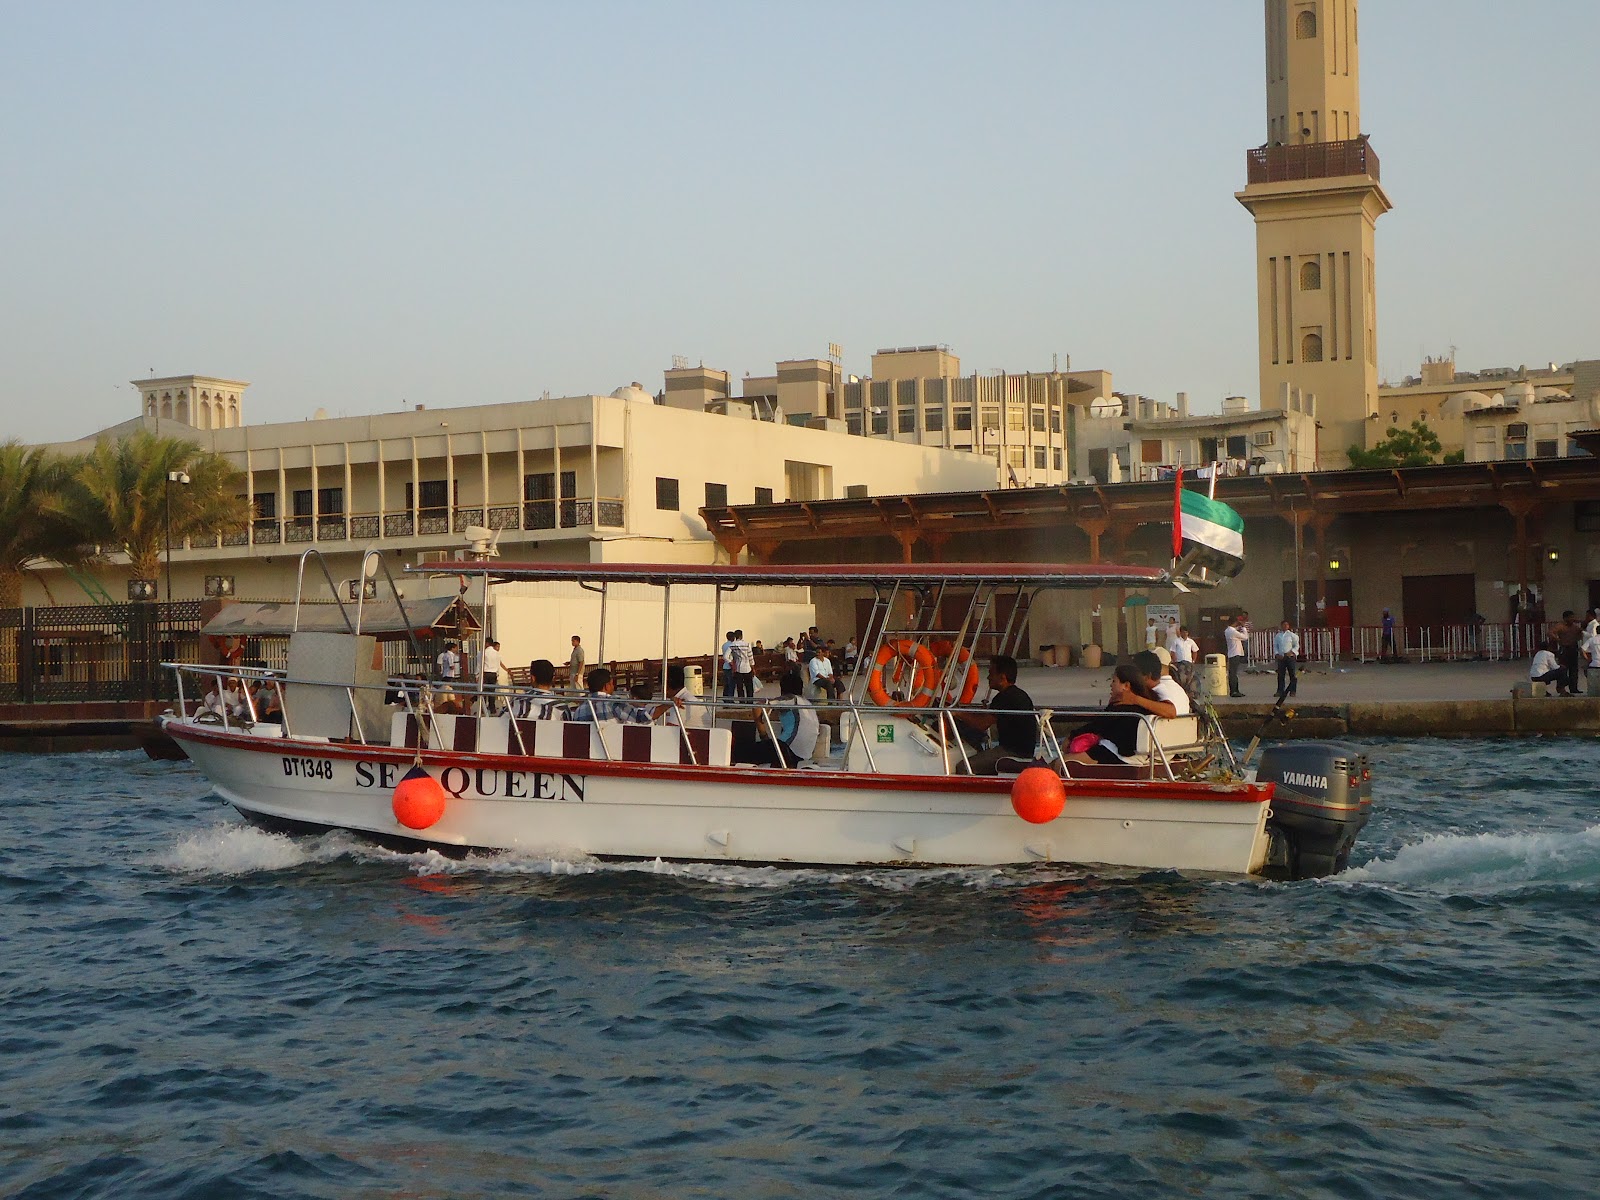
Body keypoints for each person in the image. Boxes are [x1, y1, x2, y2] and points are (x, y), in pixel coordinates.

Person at [954, 655, 1038, 775]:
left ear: (1002, 677)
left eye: (991, 673)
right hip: (1026, 752)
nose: (988, 677)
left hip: (1011, 752)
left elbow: (981, 724)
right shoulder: (1020, 694)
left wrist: (957, 713)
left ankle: (974, 792)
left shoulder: (1003, 698)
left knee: (963, 767)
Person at [1062, 665, 1159, 766]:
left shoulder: (1120, 707)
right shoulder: (1148, 702)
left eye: (1114, 681)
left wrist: (1071, 736)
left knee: (1062, 763)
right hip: (1136, 755)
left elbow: (1097, 726)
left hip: (1117, 754)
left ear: (1126, 685)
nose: (1111, 685)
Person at [747, 668, 819, 768]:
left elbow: (757, 707)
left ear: (783, 689)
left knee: (744, 748)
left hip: (788, 750)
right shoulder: (807, 703)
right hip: (806, 754)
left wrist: (763, 735)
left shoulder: (790, 699)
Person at [572, 667, 654, 724]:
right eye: (612, 684)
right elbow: (644, 720)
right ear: (606, 686)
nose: (613, 687)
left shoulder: (579, 710)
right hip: (610, 747)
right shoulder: (614, 704)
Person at [663, 663, 707, 730]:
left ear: (666, 685)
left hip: (695, 737)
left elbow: (669, 730)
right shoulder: (687, 696)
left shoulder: (682, 701)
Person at [1554, 611, 1583, 696]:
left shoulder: (1575, 627)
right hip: (1564, 649)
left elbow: (1581, 633)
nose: (1572, 619)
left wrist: (1577, 638)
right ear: (1565, 618)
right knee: (1563, 669)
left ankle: (1573, 688)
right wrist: (1558, 640)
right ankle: (1561, 688)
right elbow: (1550, 633)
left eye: (1573, 617)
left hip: (1573, 648)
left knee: (1574, 669)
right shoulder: (1560, 626)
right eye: (1570, 617)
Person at [1273, 620, 1300, 700]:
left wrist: (1292, 652)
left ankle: (1293, 691)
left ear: (1288, 626)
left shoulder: (1292, 635)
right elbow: (1275, 646)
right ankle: (1280, 690)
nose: (1285, 626)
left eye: (1286, 625)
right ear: (1281, 626)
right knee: (1281, 675)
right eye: (1283, 625)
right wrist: (1277, 654)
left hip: (1290, 657)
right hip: (1281, 657)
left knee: (1292, 674)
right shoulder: (1278, 636)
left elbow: (1296, 645)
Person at [1223, 616, 1249, 698]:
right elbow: (1245, 637)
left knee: (1233, 673)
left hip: (1232, 653)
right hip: (1235, 653)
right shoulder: (1232, 631)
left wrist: (1239, 627)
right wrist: (1244, 628)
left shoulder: (1228, 630)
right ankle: (1234, 691)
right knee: (1233, 674)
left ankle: (1235, 690)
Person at [1169, 625, 1200, 692]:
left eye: (1186, 632)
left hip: (1188, 663)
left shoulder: (1191, 641)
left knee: (1190, 677)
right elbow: (1172, 652)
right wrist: (1175, 661)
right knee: (1181, 678)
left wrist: (1193, 661)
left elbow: (1195, 651)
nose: (1185, 634)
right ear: (1180, 633)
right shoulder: (1176, 641)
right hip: (1180, 663)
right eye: (1183, 632)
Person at [480, 637, 504, 713]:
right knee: (492, 692)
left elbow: (480, 664)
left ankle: (483, 708)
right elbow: (498, 665)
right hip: (494, 674)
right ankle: (492, 708)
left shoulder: (484, 652)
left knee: (483, 691)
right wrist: (497, 674)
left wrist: (477, 675)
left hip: (486, 673)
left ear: (487, 643)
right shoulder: (497, 653)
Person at [731, 629, 755, 699]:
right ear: (741, 636)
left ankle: (741, 701)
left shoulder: (733, 645)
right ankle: (750, 701)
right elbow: (750, 656)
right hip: (747, 667)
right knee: (749, 686)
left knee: (740, 686)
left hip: (738, 668)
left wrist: (732, 664)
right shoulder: (747, 644)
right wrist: (753, 667)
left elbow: (727, 656)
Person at [720, 630, 738, 699]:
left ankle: (725, 699)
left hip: (725, 666)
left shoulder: (724, 645)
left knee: (726, 685)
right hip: (730, 666)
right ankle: (730, 699)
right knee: (731, 684)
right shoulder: (732, 645)